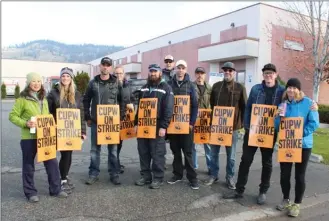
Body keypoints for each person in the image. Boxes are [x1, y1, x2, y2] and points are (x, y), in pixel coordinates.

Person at [223, 64, 318, 204]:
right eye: (266, 73)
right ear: (263, 75)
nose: (268, 75)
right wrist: (248, 126)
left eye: (271, 73)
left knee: (266, 163)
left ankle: (263, 191)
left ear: (275, 74)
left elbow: (297, 96)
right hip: (253, 131)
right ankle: (239, 190)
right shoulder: (256, 89)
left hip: (270, 132)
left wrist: (314, 104)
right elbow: (248, 108)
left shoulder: (282, 91)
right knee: (245, 160)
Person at [9, 72, 68, 203]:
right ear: (29, 83)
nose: (36, 84)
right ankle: (30, 192)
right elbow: (12, 116)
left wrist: (53, 125)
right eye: (33, 81)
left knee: (52, 162)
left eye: (38, 81)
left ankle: (56, 189)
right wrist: (25, 123)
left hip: (45, 136)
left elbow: (46, 116)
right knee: (29, 165)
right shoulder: (22, 99)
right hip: (28, 137)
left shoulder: (44, 98)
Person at [275, 78, 319, 217]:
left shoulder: (309, 103)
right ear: (286, 89)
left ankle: (297, 204)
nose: (291, 90)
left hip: (304, 145)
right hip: (286, 144)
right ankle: (286, 199)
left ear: (299, 90)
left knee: (299, 176)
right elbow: (278, 127)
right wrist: (276, 117)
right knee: (284, 174)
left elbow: (314, 123)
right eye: (289, 87)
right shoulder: (283, 105)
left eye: (294, 88)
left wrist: (298, 135)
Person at [205, 62, 247, 189]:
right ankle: (213, 175)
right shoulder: (216, 86)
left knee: (231, 156)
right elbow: (212, 104)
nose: (227, 72)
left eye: (230, 70)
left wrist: (242, 125)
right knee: (214, 153)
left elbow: (245, 107)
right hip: (217, 126)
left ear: (234, 72)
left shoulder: (240, 87)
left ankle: (230, 177)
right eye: (225, 70)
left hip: (232, 128)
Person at [47, 67, 87, 194]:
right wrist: (52, 124)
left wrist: (83, 131)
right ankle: (58, 179)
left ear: (71, 78)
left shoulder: (77, 94)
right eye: (63, 76)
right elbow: (47, 112)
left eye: (68, 76)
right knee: (56, 156)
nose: (65, 78)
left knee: (68, 155)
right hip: (57, 130)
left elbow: (81, 113)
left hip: (72, 130)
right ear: (60, 78)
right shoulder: (53, 93)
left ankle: (64, 177)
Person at [134, 64, 174, 189]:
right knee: (143, 152)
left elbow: (168, 109)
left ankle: (158, 178)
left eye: (155, 72)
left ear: (160, 73)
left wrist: (164, 126)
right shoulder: (144, 88)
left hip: (157, 126)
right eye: (151, 71)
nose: (153, 74)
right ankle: (145, 176)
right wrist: (136, 123)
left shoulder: (166, 88)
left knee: (157, 153)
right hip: (143, 125)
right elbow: (140, 108)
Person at [83, 57, 122, 185]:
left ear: (110, 67)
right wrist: (87, 117)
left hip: (112, 123)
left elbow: (123, 100)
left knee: (113, 150)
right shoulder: (93, 82)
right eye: (103, 65)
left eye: (108, 65)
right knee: (95, 150)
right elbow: (86, 100)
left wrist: (120, 118)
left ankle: (114, 173)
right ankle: (93, 173)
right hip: (96, 122)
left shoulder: (117, 82)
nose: (105, 67)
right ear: (100, 66)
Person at [167, 60, 199, 190]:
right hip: (173, 125)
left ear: (186, 70)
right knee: (175, 151)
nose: (180, 70)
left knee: (188, 152)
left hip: (187, 126)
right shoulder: (169, 85)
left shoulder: (191, 85)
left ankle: (193, 178)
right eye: (178, 68)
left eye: (183, 68)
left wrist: (191, 123)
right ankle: (177, 174)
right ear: (175, 69)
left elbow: (195, 105)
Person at [114, 65, 135, 174]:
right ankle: (114, 165)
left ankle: (116, 162)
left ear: (124, 74)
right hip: (114, 118)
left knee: (120, 142)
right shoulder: (111, 85)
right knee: (114, 142)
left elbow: (131, 98)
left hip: (124, 118)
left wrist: (132, 106)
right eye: (116, 73)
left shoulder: (127, 85)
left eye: (120, 73)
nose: (118, 75)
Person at [191, 67, 212, 173]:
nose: (200, 75)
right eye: (198, 73)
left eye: (202, 73)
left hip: (206, 120)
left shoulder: (210, 88)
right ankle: (194, 166)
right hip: (194, 119)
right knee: (193, 144)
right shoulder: (191, 86)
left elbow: (212, 103)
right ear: (195, 75)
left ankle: (210, 167)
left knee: (207, 144)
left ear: (205, 75)